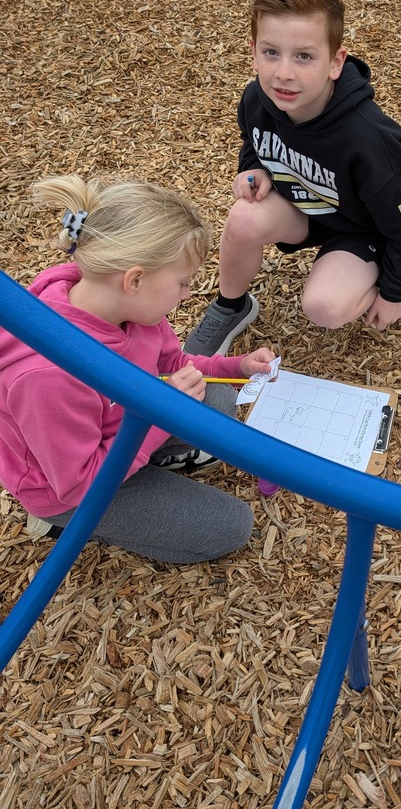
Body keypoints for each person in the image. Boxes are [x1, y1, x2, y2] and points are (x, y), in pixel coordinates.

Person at [0, 174, 279, 564]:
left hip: (122, 425)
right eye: (183, 283)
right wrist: (163, 414)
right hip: (68, 488)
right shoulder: (47, 377)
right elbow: (78, 483)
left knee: (217, 399)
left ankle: (145, 466)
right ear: (134, 279)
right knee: (230, 527)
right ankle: (65, 523)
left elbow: (176, 365)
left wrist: (237, 367)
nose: (187, 295)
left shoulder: (131, 308)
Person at [183, 0, 401, 357]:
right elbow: (253, 141)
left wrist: (395, 291)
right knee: (243, 218)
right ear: (253, 51)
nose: (284, 72)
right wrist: (253, 169)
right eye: (271, 53)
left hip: (362, 231)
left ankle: (366, 277)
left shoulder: (370, 140)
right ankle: (231, 306)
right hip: (306, 209)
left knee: (324, 308)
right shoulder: (257, 98)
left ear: (335, 62)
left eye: (304, 56)